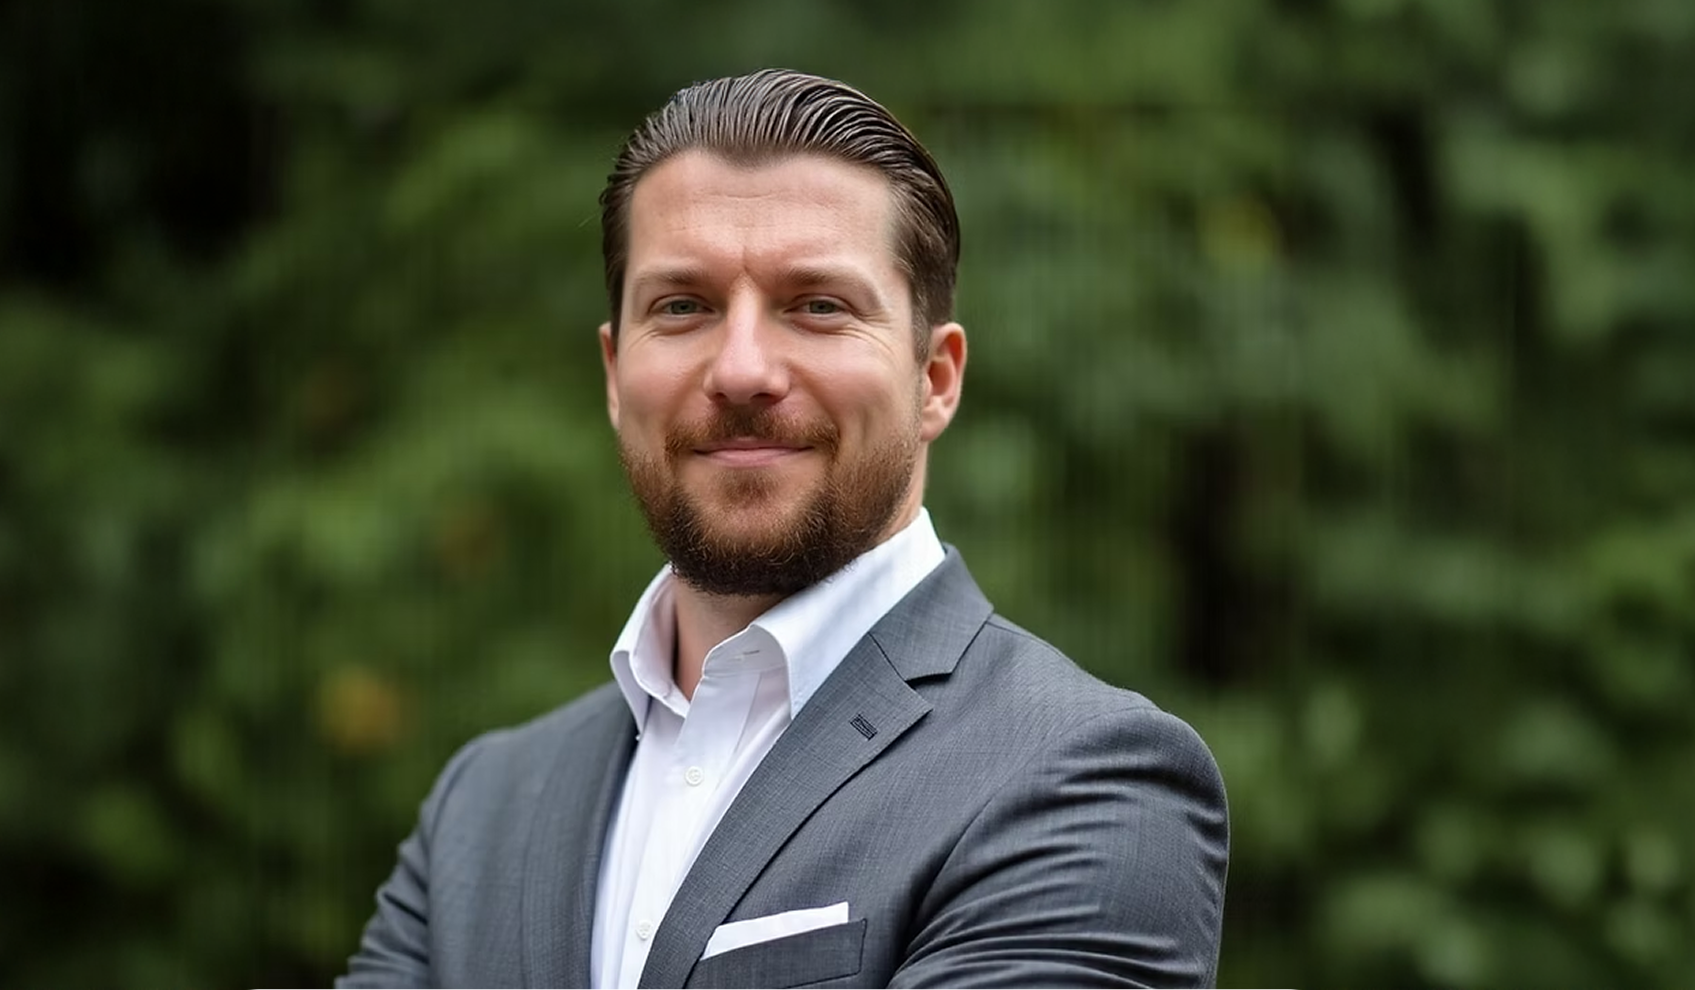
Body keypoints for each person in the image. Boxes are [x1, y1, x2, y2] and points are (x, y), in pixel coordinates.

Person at [338, 69, 1228, 990]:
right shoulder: (480, 811)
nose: (742, 370)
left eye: (818, 306)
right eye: (682, 306)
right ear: (613, 374)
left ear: (935, 379)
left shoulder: (1086, 781)